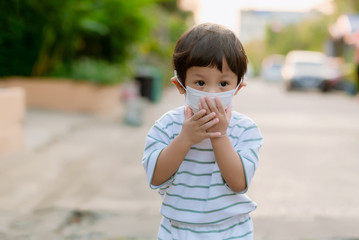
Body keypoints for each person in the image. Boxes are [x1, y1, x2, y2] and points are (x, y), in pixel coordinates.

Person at [142, 23, 263, 240]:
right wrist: (185, 139)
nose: (211, 94)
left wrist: (220, 136)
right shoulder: (167, 125)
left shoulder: (246, 130)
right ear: (180, 85)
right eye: (200, 82)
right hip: (177, 231)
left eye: (224, 83)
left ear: (238, 88)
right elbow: (156, 178)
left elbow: (239, 184)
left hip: (231, 231)